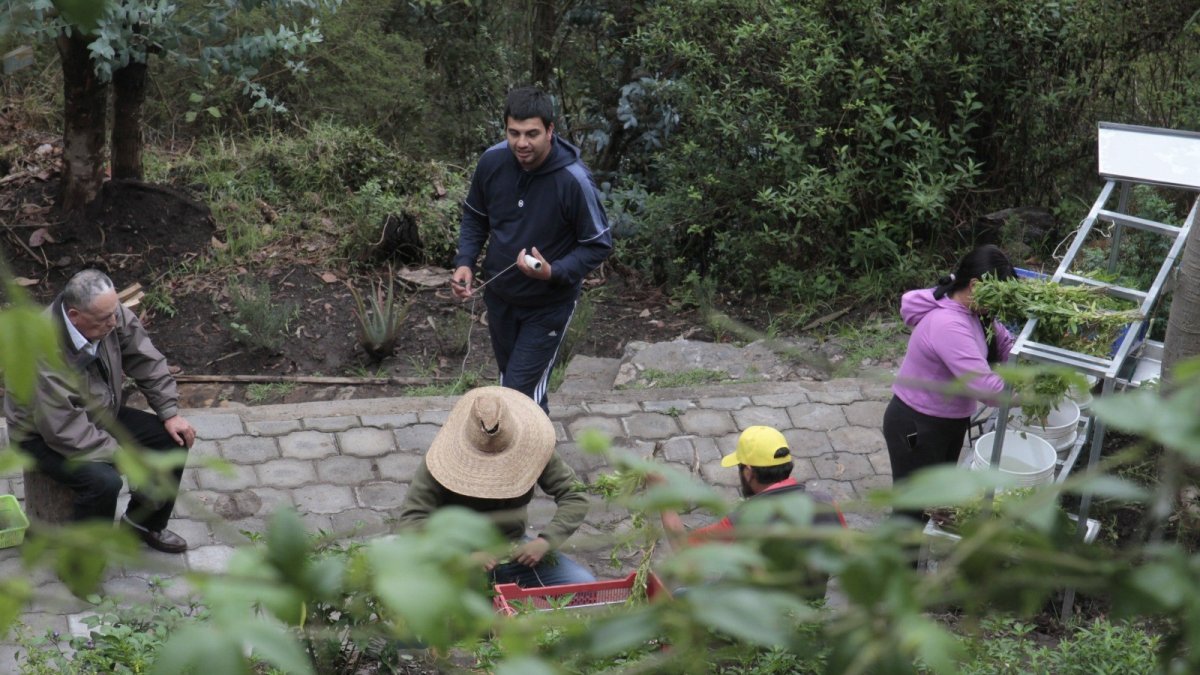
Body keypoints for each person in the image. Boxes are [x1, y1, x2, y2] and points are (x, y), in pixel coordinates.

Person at [3, 269, 195, 553]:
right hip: (42, 436)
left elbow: (146, 360)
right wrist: (119, 455)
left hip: (99, 413)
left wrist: (169, 411)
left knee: (172, 439)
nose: (114, 322)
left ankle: (143, 523)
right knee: (104, 483)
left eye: (114, 312)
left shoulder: (108, 315)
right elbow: (62, 427)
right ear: (75, 315)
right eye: (105, 319)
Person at [450, 86, 613, 413]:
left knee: (517, 398)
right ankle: (530, 455)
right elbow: (475, 216)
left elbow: (598, 245)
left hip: (548, 306)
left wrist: (554, 271)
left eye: (532, 134)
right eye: (514, 133)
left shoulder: (573, 180)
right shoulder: (492, 162)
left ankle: (527, 464)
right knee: (515, 385)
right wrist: (465, 261)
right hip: (499, 297)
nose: (521, 143)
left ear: (550, 130)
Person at [396, 385, 595, 588]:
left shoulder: (533, 448)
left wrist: (546, 541)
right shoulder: (441, 461)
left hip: (514, 550)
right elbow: (411, 522)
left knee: (582, 584)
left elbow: (575, 494)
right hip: (459, 557)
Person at [883, 244, 1017, 519]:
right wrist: (1033, 394)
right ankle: (897, 559)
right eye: (999, 295)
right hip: (916, 427)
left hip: (947, 422)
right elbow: (986, 389)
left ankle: (916, 556)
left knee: (935, 499)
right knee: (911, 508)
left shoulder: (976, 314)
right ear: (976, 285)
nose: (1000, 304)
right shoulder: (949, 324)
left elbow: (1004, 342)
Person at [652, 426, 845, 597]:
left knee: (679, 596)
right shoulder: (827, 503)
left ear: (748, 472)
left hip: (750, 615)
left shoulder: (746, 519)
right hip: (806, 609)